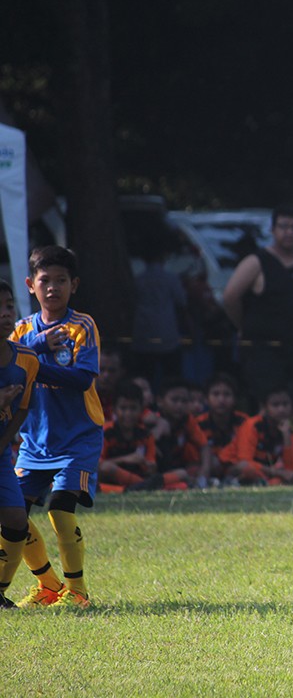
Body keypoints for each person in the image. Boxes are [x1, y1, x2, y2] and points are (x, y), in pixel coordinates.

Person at [11, 246, 105, 609]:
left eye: (61, 281)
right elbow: (11, 361)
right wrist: (35, 348)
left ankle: (77, 592)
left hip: (78, 437)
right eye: (45, 280)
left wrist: (33, 363)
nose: (53, 288)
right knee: (11, 513)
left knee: (60, 510)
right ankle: (48, 585)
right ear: (30, 285)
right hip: (36, 441)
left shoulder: (81, 326)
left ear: (74, 284)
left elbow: (82, 379)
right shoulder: (22, 331)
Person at [222, 205, 293, 409]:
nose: (289, 232)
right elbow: (230, 298)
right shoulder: (256, 262)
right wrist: (243, 326)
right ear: (273, 229)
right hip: (263, 351)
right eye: (284, 226)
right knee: (267, 405)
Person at [0, 280, 39, 607]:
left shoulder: (26, 359)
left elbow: (23, 407)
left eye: (9, 306)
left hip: (1, 452)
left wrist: (5, 442)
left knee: (16, 520)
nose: (4, 314)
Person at [128, 242, 188, 392]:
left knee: (146, 376)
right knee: (171, 377)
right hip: (166, 332)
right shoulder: (170, 278)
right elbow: (182, 300)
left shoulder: (138, 280)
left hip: (143, 332)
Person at [222, 386, 293, 485]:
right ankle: (271, 482)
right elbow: (245, 460)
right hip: (236, 466)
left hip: (266, 469)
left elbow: (291, 468)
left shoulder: (288, 429)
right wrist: (280, 473)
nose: (281, 409)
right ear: (264, 407)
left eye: (285, 404)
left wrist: (286, 436)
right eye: (275, 405)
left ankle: (270, 483)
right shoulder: (252, 425)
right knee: (246, 467)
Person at [151, 378, 213, 489]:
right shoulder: (152, 421)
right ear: (160, 401)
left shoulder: (187, 420)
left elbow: (204, 446)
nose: (179, 405)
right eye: (174, 400)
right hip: (152, 472)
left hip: (175, 470)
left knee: (196, 468)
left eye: (184, 401)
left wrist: (203, 475)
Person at [98, 380, 159, 493]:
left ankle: (139, 487)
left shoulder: (146, 435)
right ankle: (133, 489)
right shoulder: (105, 432)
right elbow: (98, 465)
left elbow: (151, 465)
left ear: (141, 409)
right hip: (109, 479)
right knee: (106, 468)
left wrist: (148, 465)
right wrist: (125, 459)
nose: (128, 414)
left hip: (136, 478)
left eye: (133, 408)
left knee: (181, 474)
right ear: (114, 410)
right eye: (123, 408)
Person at [194, 372, 248, 483]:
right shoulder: (197, 424)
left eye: (227, 395)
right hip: (208, 467)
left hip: (234, 467)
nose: (221, 400)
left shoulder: (245, 422)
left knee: (246, 466)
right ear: (206, 399)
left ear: (235, 399)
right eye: (216, 394)